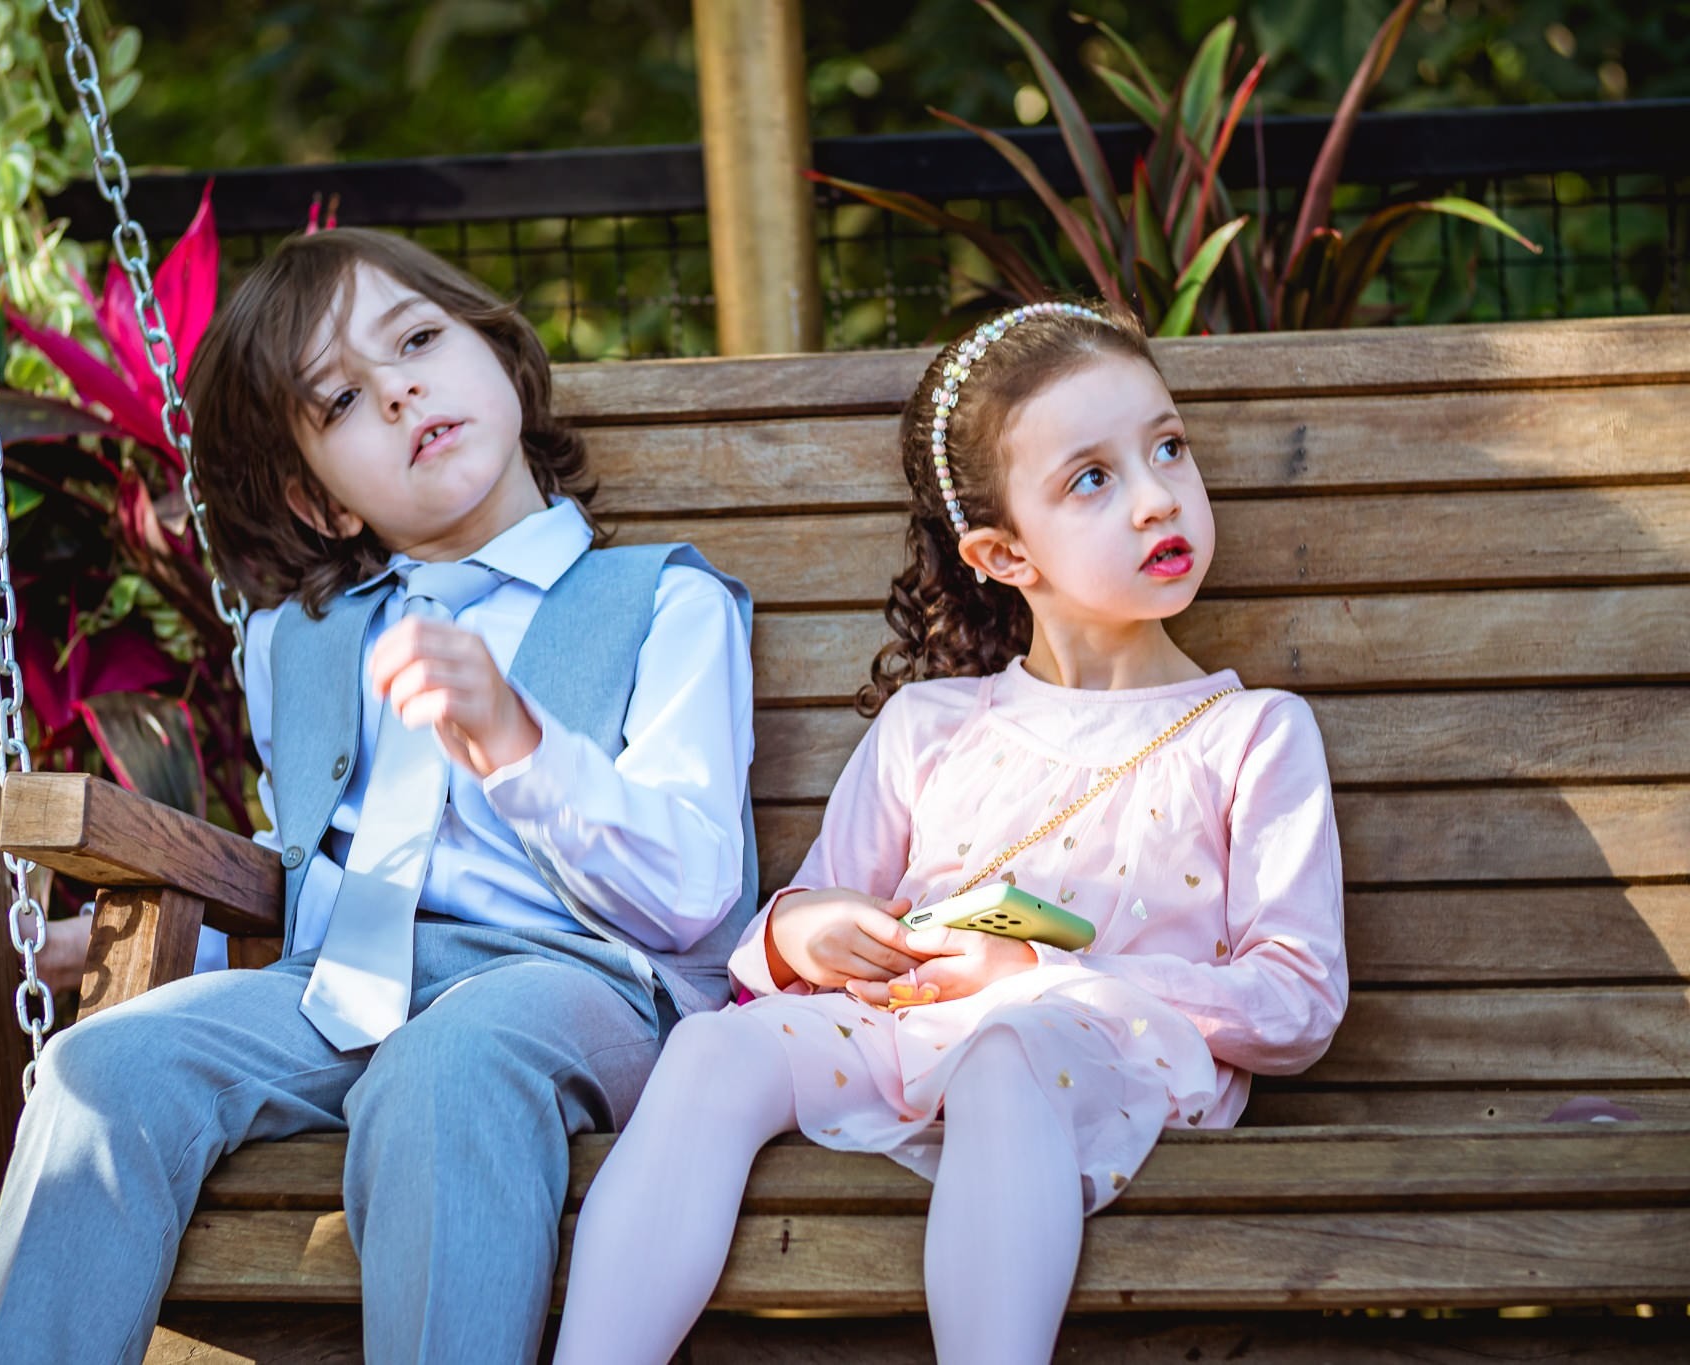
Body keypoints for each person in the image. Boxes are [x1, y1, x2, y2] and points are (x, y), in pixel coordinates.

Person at [0, 228, 758, 1365]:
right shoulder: (303, 643)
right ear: (321, 502)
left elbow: (693, 895)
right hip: (337, 988)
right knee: (101, 1070)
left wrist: (517, 742)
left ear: (498, 354)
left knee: (442, 1068)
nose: (399, 391)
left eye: (419, 341)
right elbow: (320, 865)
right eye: (341, 399)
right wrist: (144, 945)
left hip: (582, 987)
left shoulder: (666, 604)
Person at [553, 300, 1348, 1365]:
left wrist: (1034, 970)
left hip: (1105, 1057)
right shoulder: (931, 726)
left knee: (1006, 1049)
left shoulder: (1249, 734)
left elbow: (1295, 1004)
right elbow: (781, 935)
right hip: (902, 1034)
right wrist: (810, 933)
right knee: (710, 1047)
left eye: (1167, 447)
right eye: (1093, 479)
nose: (1159, 496)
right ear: (1002, 552)